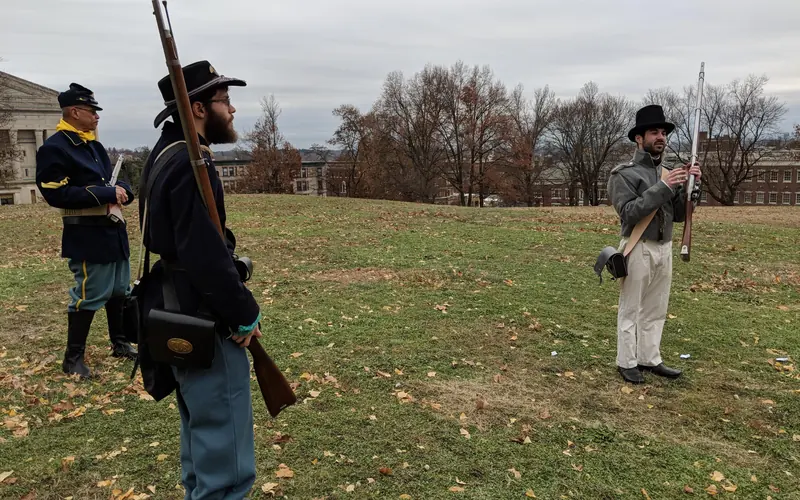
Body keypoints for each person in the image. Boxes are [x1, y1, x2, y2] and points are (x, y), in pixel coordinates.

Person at [138, 60, 262, 499]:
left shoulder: (164, 152)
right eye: (224, 101)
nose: (231, 110)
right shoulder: (191, 163)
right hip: (203, 316)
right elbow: (205, 256)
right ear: (196, 108)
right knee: (225, 466)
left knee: (202, 449)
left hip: (174, 310)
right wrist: (244, 312)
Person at [35, 83, 138, 379]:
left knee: (119, 289)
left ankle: (120, 343)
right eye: (92, 111)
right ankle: (73, 359)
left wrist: (122, 192)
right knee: (89, 293)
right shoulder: (54, 148)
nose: (96, 116)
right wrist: (107, 194)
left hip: (112, 229)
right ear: (75, 111)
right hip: (86, 233)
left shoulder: (93, 145)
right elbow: (56, 193)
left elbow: (115, 181)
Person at [607, 104, 702, 384]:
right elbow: (629, 213)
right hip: (638, 246)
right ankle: (626, 362)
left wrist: (691, 189)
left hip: (664, 247)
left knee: (656, 307)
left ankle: (649, 357)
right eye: (654, 132)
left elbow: (681, 216)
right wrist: (665, 186)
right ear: (639, 138)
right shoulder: (623, 174)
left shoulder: (668, 173)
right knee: (631, 308)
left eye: (663, 132)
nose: (660, 137)